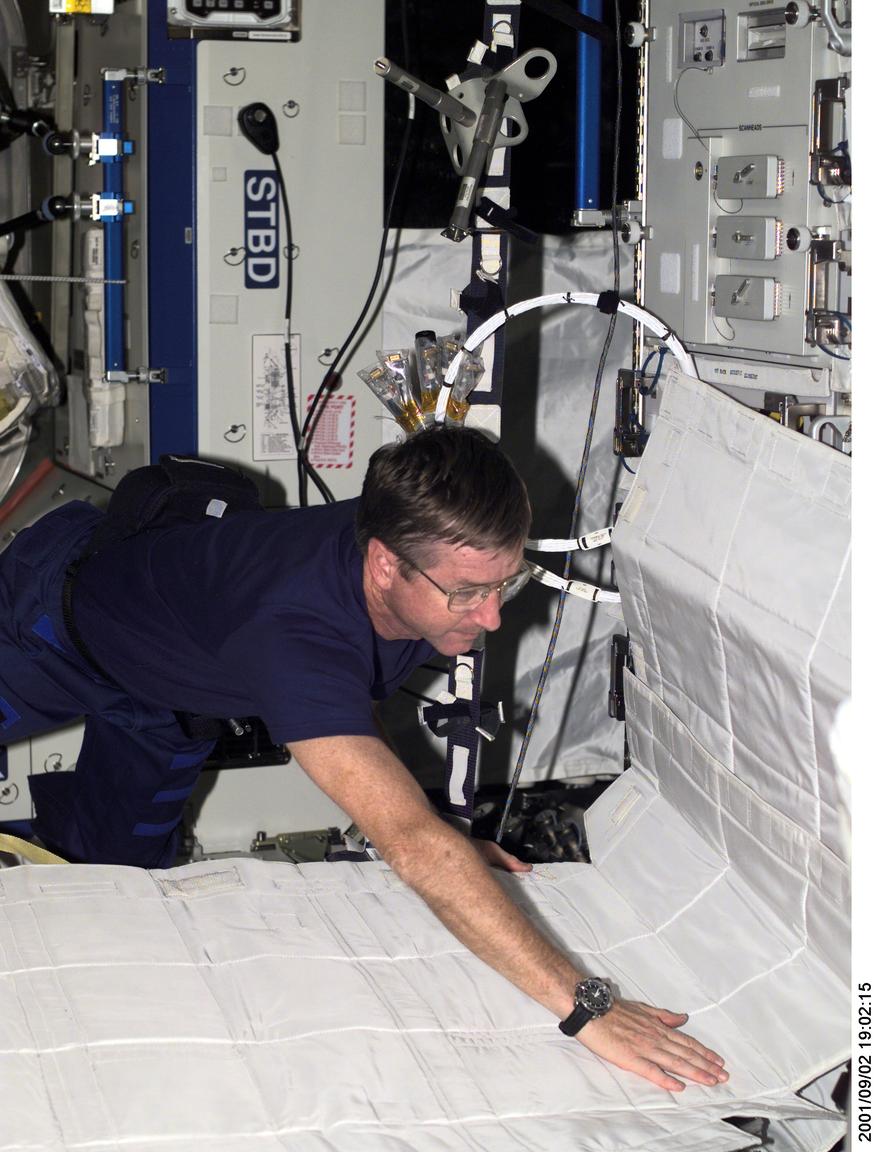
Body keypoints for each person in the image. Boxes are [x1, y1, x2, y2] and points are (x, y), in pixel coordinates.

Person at [0, 426, 728, 1092]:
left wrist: (434, 834)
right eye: (467, 593)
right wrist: (585, 1010)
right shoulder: (294, 634)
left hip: (171, 688)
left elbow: (356, 714)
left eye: (504, 583)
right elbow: (407, 840)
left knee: (119, 901)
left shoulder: (412, 548)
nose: (491, 617)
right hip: (51, 625)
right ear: (383, 566)